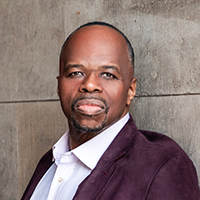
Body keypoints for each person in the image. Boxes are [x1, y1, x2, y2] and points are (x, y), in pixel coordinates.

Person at [21, 22, 200, 200]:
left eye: (108, 75)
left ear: (130, 90)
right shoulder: (49, 162)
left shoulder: (162, 166)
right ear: (59, 86)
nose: (90, 84)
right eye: (76, 72)